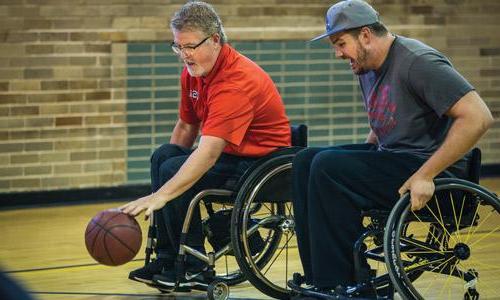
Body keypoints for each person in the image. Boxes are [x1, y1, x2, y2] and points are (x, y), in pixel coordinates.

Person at [292, 0, 493, 296]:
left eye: (340, 43)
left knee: (328, 166)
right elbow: (387, 117)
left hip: (434, 172)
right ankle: (320, 278)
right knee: (307, 160)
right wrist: (357, 159)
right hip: (396, 159)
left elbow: (478, 117)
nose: (337, 54)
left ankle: (343, 284)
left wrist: (426, 175)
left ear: (365, 35)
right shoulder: (368, 65)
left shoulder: (418, 61)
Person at [120, 1, 290, 291]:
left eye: (190, 46)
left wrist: (164, 192)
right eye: (178, 47)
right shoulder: (194, 72)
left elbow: (209, 152)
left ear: (214, 40)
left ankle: (194, 266)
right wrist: (164, 180)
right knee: (164, 156)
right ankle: (168, 257)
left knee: (174, 169)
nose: (184, 55)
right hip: (232, 154)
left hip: (261, 164)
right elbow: (186, 127)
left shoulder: (235, 81)